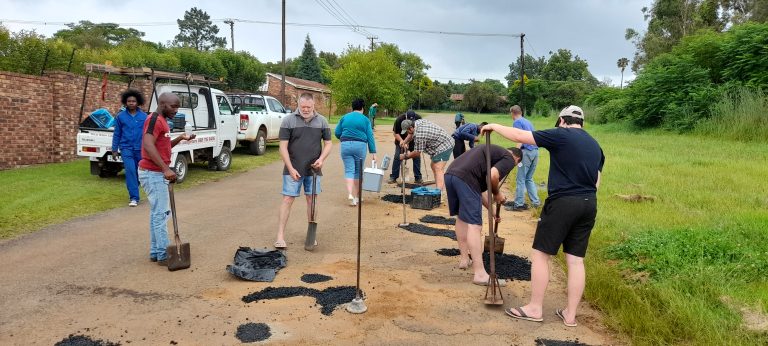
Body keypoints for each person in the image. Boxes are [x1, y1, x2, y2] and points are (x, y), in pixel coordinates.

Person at [481, 105, 604, 327]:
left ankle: (535, 308)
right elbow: (597, 182)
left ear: (562, 120)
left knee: (540, 255)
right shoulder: (596, 146)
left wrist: (493, 126)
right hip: (589, 203)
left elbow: (521, 137)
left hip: (563, 202)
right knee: (576, 260)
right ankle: (570, 315)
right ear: (582, 123)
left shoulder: (561, 134)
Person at [445, 145, 521, 285]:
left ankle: (464, 259)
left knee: (462, 217)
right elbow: (492, 175)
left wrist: (492, 211)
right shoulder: (509, 158)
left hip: (451, 174)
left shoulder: (488, 155)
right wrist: (497, 193)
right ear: (517, 160)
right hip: (465, 179)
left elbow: (477, 191)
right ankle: (480, 273)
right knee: (475, 226)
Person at [138, 93, 195, 266]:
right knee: (161, 214)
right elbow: (147, 145)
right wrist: (165, 169)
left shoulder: (162, 121)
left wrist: (180, 138)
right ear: (162, 104)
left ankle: (157, 252)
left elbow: (162, 147)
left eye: (178, 107)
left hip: (155, 172)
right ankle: (163, 254)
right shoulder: (154, 119)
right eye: (173, 107)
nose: (176, 111)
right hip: (153, 173)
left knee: (158, 213)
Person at [275, 93, 333, 249]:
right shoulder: (288, 120)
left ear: (314, 105)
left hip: (313, 170)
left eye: (309, 107)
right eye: (303, 107)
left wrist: (321, 159)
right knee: (288, 199)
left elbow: (328, 144)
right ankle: (280, 236)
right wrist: (290, 167)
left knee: (311, 200)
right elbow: (283, 147)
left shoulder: (322, 121)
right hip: (293, 168)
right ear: (298, 105)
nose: (306, 110)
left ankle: (311, 235)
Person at [335, 98, 377, 206]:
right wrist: (373, 152)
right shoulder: (365, 119)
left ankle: (350, 194)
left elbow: (337, 132)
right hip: (360, 145)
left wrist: (343, 138)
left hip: (345, 145)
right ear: (362, 108)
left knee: (349, 170)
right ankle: (357, 196)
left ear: (352, 107)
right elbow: (370, 136)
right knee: (358, 171)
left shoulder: (344, 117)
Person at [112, 89, 147, 207]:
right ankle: (134, 198)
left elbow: (148, 133)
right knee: (130, 171)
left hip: (140, 149)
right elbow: (117, 133)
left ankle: (134, 189)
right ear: (125, 102)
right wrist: (114, 149)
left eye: (134, 101)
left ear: (138, 102)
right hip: (126, 148)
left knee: (139, 173)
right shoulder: (120, 117)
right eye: (129, 101)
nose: (131, 103)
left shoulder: (144, 116)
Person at [399, 118, 454, 191]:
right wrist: (405, 142)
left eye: (407, 131)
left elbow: (417, 153)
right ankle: (438, 187)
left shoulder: (420, 135)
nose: (407, 133)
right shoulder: (417, 123)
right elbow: (410, 133)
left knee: (438, 167)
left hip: (444, 145)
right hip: (438, 143)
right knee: (433, 165)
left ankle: (438, 193)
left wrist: (405, 156)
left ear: (411, 127)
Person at [506, 105, 541, 211]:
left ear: (512, 113)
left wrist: (516, 154)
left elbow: (519, 139)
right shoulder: (527, 121)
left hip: (526, 153)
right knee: (528, 178)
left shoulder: (517, 122)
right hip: (535, 152)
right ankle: (535, 202)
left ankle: (519, 204)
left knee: (520, 179)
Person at [387, 110, 422, 185]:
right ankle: (393, 177)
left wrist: (408, 142)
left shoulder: (418, 118)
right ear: (406, 117)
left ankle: (418, 177)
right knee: (397, 156)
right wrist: (402, 142)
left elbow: (418, 132)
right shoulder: (399, 119)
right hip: (400, 139)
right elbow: (395, 133)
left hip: (414, 140)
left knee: (416, 156)